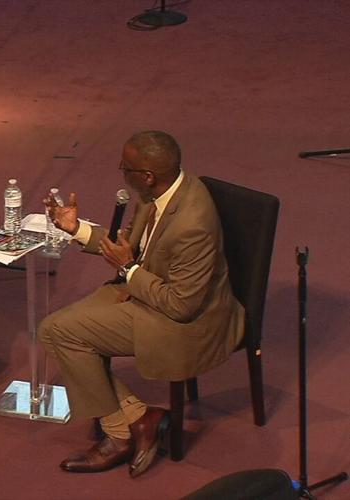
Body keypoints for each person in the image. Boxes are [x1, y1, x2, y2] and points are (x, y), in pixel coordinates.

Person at [38, 131, 244, 477]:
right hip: (148, 291)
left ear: (147, 176)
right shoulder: (158, 193)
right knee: (55, 331)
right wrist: (76, 229)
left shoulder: (192, 224)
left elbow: (182, 305)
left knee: (60, 333)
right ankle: (140, 416)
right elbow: (130, 245)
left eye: (125, 168)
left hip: (184, 321)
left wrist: (129, 269)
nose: (121, 172)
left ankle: (118, 435)